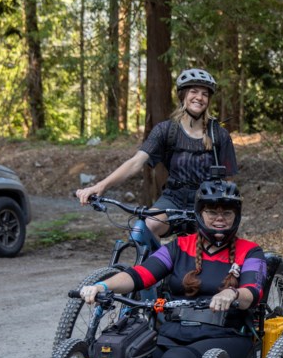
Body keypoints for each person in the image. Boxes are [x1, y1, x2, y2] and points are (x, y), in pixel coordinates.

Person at [67, 177, 264, 358]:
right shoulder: (179, 247)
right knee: (137, 354)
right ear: (200, 214)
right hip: (173, 332)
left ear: (237, 215)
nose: (219, 217)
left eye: (227, 212)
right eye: (212, 211)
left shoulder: (250, 251)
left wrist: (231, 293)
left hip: (225, 335)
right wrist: (102, 286)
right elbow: (140, 275)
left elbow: (252, 293)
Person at [76, 68, 238, 238]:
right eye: (194, 91)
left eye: (205, 94)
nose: (199, 97)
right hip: (174, 198)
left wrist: (224, 212)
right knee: (145, 228)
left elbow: (229, 181)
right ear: (183, 95)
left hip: (208, 202)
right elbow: (136, 162)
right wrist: (100, 186)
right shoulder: (166, 130)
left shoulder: (219, 134)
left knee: (209, 245)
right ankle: (151, 264)